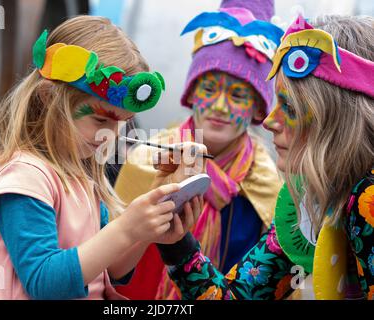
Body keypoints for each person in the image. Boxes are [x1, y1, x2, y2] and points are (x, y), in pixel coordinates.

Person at [0, 16, 204, 300]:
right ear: (49, 98)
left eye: (121, 124)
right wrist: (125, 228)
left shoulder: (83, 177)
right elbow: (45, 283)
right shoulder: (23, 178)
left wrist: (146, 231)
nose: (111, 135)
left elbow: (109, 269)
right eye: (100, 120)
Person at [156, 14, 374, 300]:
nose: (270, 121)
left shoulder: (368, 198)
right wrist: (178, 244)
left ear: (338, 120)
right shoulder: (308, 201)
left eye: (291, 108)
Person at [114, 0, 285, 299]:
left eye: (238, 94)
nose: (220, 106)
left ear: (258, 107)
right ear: (192, 93)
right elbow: (112, 265)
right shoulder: (147, 162)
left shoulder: (269, 184)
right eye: (208, 89)